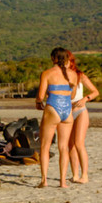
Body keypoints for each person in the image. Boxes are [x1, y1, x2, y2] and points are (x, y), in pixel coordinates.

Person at [36, 46, 77, 191]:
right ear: (66, 59)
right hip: (67, 109)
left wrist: (38, 102)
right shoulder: (73, 74)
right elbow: (72, 96)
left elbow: (41, 96)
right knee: (63, 147)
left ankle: (44, 180)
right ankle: (62, 181)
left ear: (53, 58)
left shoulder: (47, 73)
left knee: (45, 146)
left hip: (53, 107)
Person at [67, 53, 100, 183]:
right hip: (67, 111)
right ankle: (75, 175)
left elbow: (95, 92)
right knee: (70, 145)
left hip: (80, 111)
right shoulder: (60, 76)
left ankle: (84, 175)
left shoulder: (80, 75)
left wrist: (85, 99)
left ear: (72, 61)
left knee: (79, 143)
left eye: (68, 60)